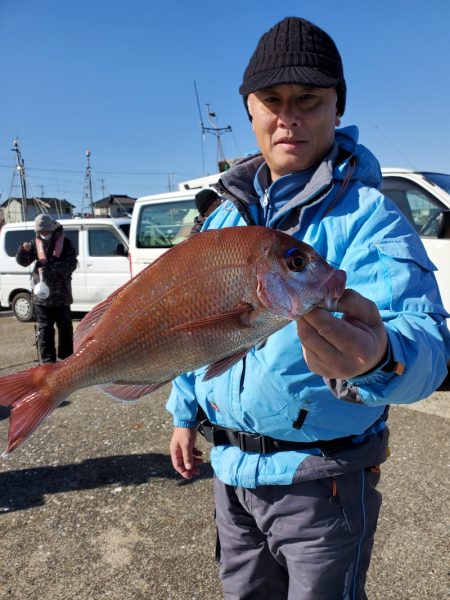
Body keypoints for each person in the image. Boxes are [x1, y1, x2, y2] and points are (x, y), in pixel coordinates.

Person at [167, 17, 450, 600]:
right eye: (272, 100)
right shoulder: (222, 219)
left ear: (337, 108)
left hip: (323, 482)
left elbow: (426, 343)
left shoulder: (371, 217)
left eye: (310, 101)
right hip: (230, 474)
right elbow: (193, 330)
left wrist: (381, 356)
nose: (288, 117)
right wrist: (182, 409)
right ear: (249, 109)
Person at [16, 214, 77, 364]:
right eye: (40, 232)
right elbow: (23, 262)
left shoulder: (66, 243)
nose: (43, 234)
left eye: (45, 231)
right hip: (41, 297)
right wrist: (23, 251)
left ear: (52, 228)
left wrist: (49, 268)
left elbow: (71, 265)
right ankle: (47, 362)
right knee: (44, 330)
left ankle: (66, 359)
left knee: (65, 329)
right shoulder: (34, 243)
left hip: (61, 295)